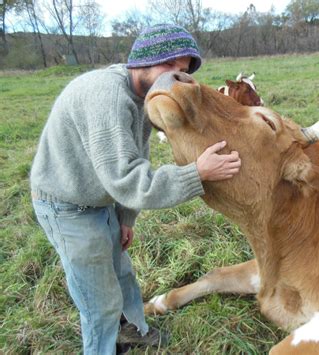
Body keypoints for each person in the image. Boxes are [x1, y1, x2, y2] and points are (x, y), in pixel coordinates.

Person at [30, 24, 241, 354]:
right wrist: (196, 173)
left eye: (183, 70)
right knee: (98, 302)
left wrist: (126, 218)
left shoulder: (143, 95)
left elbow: (136, 154)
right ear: (143, 61)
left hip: (98, 199)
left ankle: (131, 329)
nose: (176, 76)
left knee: (122, 275)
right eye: (169, 65)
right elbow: (127, 179)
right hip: (66, 205)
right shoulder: (109, 96)